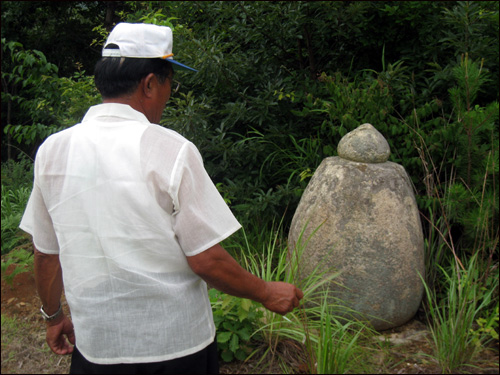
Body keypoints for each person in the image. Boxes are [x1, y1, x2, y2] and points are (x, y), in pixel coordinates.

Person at [19, 22, 303, 374]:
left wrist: (53, 316)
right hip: (175, 348)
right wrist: (265, 291)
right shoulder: (171, 150)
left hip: (96, 348)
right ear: (150, 83)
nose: (170, 94)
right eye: (171, 83)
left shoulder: (53, 151)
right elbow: (206, 261)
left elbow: (47, 253)